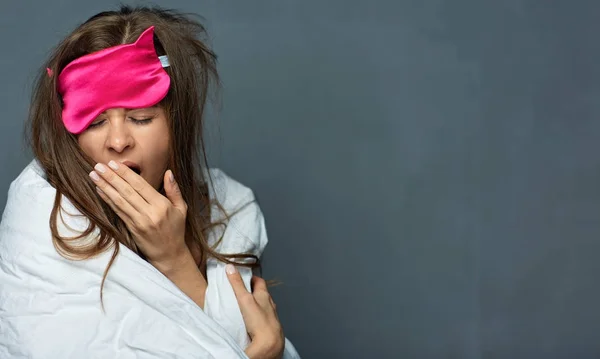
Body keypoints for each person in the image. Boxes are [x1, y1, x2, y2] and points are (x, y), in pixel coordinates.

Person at [0, 5, 300, 359]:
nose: (117, 141)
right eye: (94, 122)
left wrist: (173, 258)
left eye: (141, 118)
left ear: (177, 125)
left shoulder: (231, 208)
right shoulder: (39, 221)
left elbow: (239, 339)